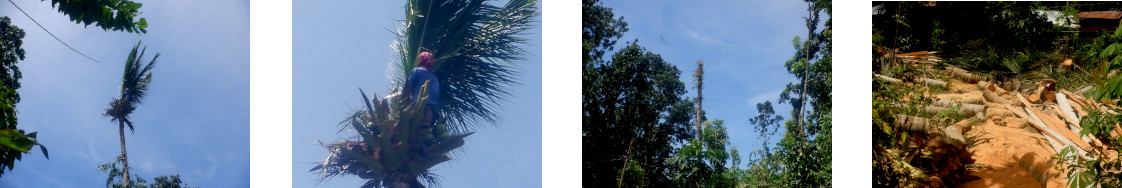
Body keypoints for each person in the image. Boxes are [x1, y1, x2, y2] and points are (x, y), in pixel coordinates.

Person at [403, 51, 441, 128]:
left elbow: (408, 87)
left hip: (420, 108)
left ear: (420, 60)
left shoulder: (417, 71)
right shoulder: (435, 78)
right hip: (433, 113)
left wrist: (404, 104)